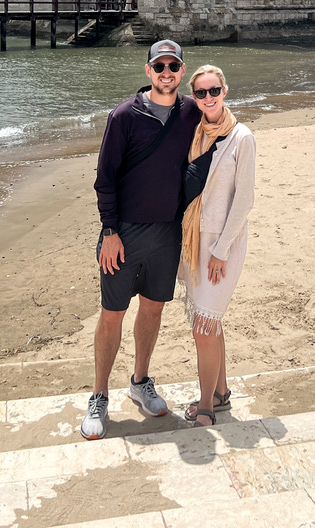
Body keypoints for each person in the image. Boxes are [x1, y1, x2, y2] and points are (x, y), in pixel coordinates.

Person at [80, 40, 200, 440]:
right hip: (124, 233)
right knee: (111, 314)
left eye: (174, 66)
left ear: (182, 71)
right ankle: (98, 396)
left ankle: (140, 380)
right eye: (159, 66)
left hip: (167, 232)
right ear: (148, 70)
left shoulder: (190, 113)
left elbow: (219, 135)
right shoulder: (123, 116)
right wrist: (110, 232)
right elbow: (105, 179)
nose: (167, 73)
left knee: (152, 311)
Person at [179, 64, 255, 428]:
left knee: (203, 327)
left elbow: (244, 200)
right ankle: (221, 392)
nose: (208, 98)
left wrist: (222, 250)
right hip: (195, 241)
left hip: (222, 245)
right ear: (194, 98)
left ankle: (207, 405)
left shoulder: (241, 137)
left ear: (225, 91)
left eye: (214, 91)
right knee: (210, 321)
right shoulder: (195, 134)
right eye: (201, 93)